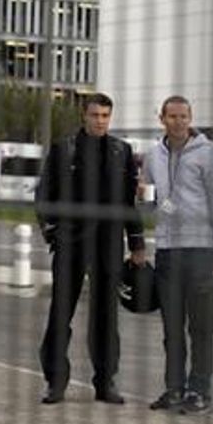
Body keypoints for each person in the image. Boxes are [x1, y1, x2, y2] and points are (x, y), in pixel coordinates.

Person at [35, 92, 146, 405]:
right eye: (95, 115)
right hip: (70, 243)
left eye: (105, 116)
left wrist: (137, 243)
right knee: (61, 313)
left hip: (108, 245)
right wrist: (53, 232)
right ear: (84, 116)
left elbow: (128, 202)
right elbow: (44, 196)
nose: (100, 121)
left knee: (105, 317)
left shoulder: (122, 151)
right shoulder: (63, 150)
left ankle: (105, 381)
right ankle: (55, 382)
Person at [141, 96, 213, 414]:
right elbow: (150, 202)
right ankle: (174, 388)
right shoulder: (154, 154)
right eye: (173, 116)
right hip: (167, 250)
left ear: (191, 118)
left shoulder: (208, 153)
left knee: (200, 327)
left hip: (200, 250)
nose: (179, 121)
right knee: (171, 328)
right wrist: (142, 194)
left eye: (184, 116)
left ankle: (200, 390)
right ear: (161, 119)